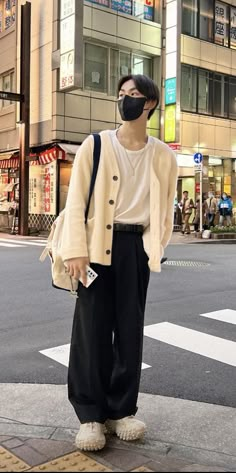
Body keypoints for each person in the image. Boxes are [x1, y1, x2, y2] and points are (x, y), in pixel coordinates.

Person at [60, 74, 178, 452]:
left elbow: (164, 212)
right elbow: (76, 201)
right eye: (122, 94)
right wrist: (75, 250)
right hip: (94, 247)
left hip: (134, 249)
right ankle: (91, 415)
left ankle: (121, 410)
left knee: (129, 332)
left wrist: (153, 248)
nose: (126, 100)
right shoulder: (95, 145)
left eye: (134, 95)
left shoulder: (163, 155)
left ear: (150, 104)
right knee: (91, 332)